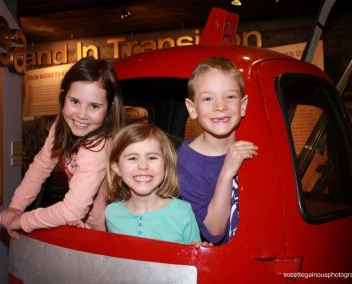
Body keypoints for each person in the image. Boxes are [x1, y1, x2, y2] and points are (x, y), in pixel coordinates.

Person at [0, 57, 124, 239]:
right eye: (74, 101)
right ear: (63, 96)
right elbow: (41, 166)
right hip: (81, 225)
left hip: (106, 232)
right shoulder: (62, 125)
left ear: (109, 109)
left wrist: (21, 220)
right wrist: (16, 206)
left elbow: (72, 211)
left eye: (94, 106)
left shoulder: (98, 146)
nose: (81, 115)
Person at [178, 56, 258, 245]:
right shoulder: (185, 162)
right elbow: (214, 231)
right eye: (208, 98)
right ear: (192, 109)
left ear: (243, 105)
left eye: (230, 96)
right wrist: (226, 173)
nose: (220, 106)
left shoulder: (255, 147)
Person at [105, 122, 202, 245]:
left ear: (165, 165)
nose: (143, 166)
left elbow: (195, 259)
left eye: (152, 158)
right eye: (132, 158)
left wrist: (200, 250)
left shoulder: (183, 212)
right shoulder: (111, 213)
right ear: (117, 167)